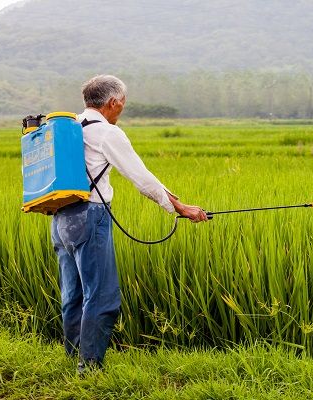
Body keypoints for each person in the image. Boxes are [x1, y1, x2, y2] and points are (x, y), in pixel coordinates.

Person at [50, 74, 207, 374]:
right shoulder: (107, 134)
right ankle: (90, 369)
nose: (122, 107)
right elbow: (143, 179)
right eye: (122, 102)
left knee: (74, 294)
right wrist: (180, 208)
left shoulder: (70, 127)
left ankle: (74, 359)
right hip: (90, 217)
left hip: (60, 219)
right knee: (102, 296)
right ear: (114, 102)